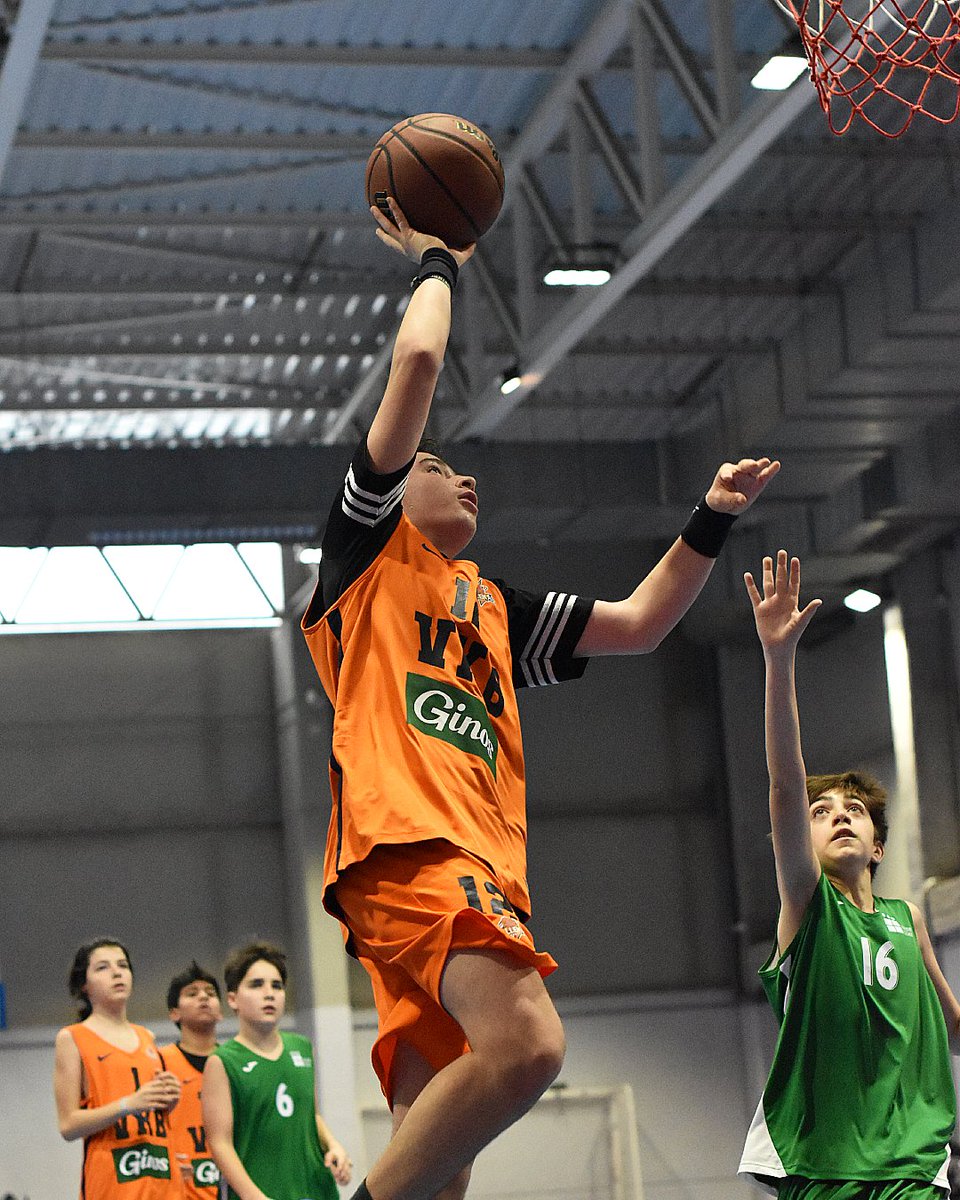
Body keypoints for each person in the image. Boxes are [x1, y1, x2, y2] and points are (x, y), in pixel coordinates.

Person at [299, 196, 780, 1200]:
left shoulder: (493, 606)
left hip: (472, 868)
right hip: (410, 849)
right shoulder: (364, 558)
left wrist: (712, 516)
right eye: (440, 465)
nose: (463, 478)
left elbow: (643, 622)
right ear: (394, 492)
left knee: (443, 1169)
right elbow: (420, 368)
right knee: (528, 1047)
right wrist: (438, 259)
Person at [738, 550, 960, 1198]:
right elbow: (783, 785)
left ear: (878, 847)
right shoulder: (807, 908)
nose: (839, 817)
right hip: (825, 1166)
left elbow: (949, 1028)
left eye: (854, 810)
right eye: (821, 812)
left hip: (912, 1165)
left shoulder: (907, 921)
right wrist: (779, 660)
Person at [202, 940, 352, 1200]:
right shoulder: (223, 1061)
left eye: (276, 986)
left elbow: (311, 1115)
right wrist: (254, 1197)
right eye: (256, 985)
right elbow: (219, 1143)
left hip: (315, 1190)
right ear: (233, 999)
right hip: (262, 1192)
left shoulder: (302, 1048)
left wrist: (333, 1144)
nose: (269, 993)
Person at [53, 938, 182, 1199]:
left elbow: (152, 1112)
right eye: (103, 967)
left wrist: (169, 1099)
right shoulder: (72, 1038)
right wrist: (129, 1105)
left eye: (122, 965)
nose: (116, 972)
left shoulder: (147, 1037)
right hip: (113, 1183)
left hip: (161, 1177)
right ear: (84, 985)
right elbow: (68, 1125)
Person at [163, 961, 223, 1198]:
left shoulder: (235, 1064)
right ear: (174, 1013)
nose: (203, 998)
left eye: (210, 993)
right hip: (180, 1189)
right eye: (192, 993)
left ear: (221, 1008)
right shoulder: (160, 1063)